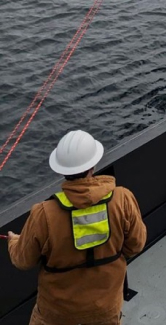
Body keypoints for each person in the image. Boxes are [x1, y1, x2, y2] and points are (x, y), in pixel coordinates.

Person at [6, 130, 147, 325]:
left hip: (56, 313)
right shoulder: (122, 199)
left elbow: (23, 260)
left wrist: (14, 241)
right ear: (93, 165)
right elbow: (136, 245)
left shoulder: (44, 214)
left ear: (61, 170)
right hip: (106, 308)